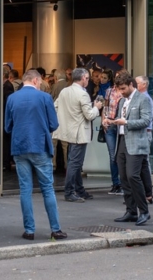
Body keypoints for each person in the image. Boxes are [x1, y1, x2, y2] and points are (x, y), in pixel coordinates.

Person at [5, 69, 67, 241]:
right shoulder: (45, 98)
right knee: (47, 188)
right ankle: (55, 229)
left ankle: (29, 230)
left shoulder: (12, 98)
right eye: (39, 82)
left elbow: (8, 126)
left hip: (19, 147)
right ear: (35, 81)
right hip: (40, 145)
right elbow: (54, 124)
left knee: (25, 189)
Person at [52, 68, 103, 203]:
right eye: (87, 78)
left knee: (75, 162)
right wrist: (97, 107)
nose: (88, 80)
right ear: (82, 78)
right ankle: (69, 191)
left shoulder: (65, 91)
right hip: (79, 132)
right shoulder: (83, 94)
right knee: (75, 163)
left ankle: (79, 190)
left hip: (68, 131)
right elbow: (90, 115)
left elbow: (55, 106)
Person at [110, 72, 152, 226]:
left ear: (131, 84)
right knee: (124, 177)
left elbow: (146, 121)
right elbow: (121, 120)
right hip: (122, 141)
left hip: (136, 143)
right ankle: (131, 211)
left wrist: (126, 122)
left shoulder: (143, 99)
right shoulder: (122, 101)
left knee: (133, 176)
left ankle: (144, 211)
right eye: (119, 89)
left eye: (123, 88)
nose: (121, 92)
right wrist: (112, 122)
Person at [101, 75, 124, 195]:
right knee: (112, 155)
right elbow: (105, 107)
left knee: (121, 155)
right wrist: (103, 120)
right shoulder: (109, 91)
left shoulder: (125, 92)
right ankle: (116, 183)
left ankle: (123, 183)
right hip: (110, 124)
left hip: (121, 125)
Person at [135, 75, 153, 203]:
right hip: (142, 132)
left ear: (144, 85)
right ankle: (144, 190)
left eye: (137, 83)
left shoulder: (146, 99)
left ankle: (148, 190)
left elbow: (146, 120)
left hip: (145, 132)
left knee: (144, 161)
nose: (135, 85)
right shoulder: (139, 98)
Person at [2, 70, 15, 171]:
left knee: (6, 141)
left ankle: (6, 162)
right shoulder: (6, 85)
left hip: (6, 117)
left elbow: (8, 103)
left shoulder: (7, 86)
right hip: (6, 117)